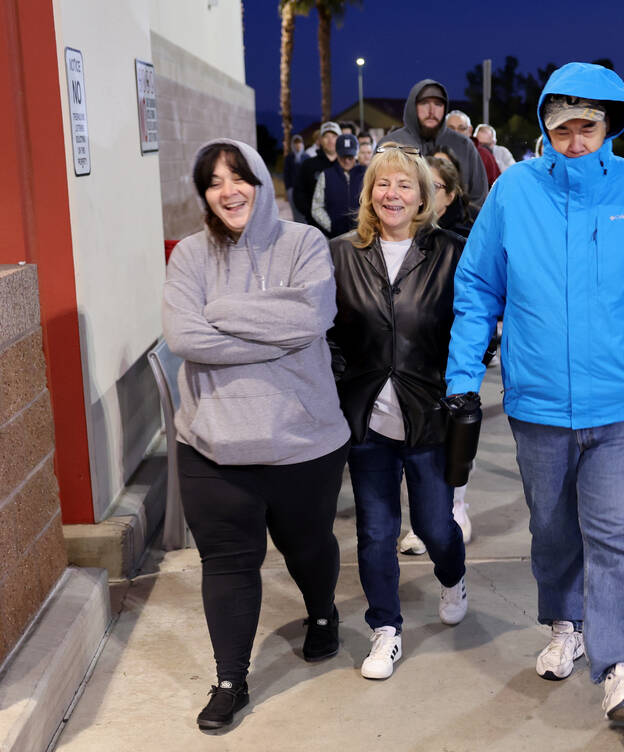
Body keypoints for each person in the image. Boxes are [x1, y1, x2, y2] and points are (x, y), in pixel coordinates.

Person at [444, 62, 624, 724]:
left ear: (610, 124)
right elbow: (476, 289)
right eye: (561, 127)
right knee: (555, 534)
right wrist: (462, 379)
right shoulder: (514, 192)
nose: (574, 139)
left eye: (587, 126)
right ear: (546, 128)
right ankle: (568, 625)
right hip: (540, 407)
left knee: (619, 534)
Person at [162, 139, 351, 730]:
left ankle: (322, 614)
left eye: (238, 176)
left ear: (261, 182)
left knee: (308, 545)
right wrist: (269, 330)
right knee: (227, 563)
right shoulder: (190, 256)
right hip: (211, 446)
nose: (228, 190)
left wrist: (219, 312)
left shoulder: (304, 243)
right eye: (214, 181)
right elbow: (185, 339)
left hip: (302, 441)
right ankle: (230, 679)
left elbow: (311, 317)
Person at [326, 143, 469, 681]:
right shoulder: (341, 253)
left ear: (423, 198)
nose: (393, 194)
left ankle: (453, 578)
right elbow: (327, 331)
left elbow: (471, 327)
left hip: (428, 417)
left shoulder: (450, 253)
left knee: (436, 528)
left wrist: (461, 385)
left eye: (405, 186)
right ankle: (386, 628)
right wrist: (343, 380)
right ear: (369, 195)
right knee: (375, 532)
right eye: (383, 184)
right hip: (367, 420)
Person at [396, 154, 476, 559]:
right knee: (414, 445)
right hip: (413, 365)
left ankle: (456, 509)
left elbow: (476, 305)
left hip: (450, 361)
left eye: (435, 186)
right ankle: (420, 521)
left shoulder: (460, 242)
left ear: (446, 196)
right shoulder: (397, 237)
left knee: (453, 443)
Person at [379, 80, 489, 210]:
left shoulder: (463, 145)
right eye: (424, 103)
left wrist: (464, 224)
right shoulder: (391, 144)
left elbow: (479, 196)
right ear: (413, 107)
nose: (431, 111)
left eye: (438, 104)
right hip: (402, 226)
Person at [311, 133, 367, 237]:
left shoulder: (367, 174)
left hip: (362, 236)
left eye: (350, 157)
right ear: (337, 153)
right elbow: (316, 207)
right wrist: (331, 226)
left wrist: (367, 226)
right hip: (336, 238)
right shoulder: (326, 176)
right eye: (343, 157)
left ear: (356, 154)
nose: (346, 161)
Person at [295, 121, 342, 226]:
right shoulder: (308, 165)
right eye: (326, 136)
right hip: (315, 226)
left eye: (334, 136)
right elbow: (299, 194)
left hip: (343, 228)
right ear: (320, 140)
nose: (330, 140)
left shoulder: (347, 165)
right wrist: (310, 214)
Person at [446, 110, 500, 187]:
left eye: (461, 128)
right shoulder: (436, 152)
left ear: (470, 130)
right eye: (451, 128)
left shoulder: (484, 155)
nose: (456, 133)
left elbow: (498, 187)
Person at [283, 134, 307, 220]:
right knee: (295, 210)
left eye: (299, 143)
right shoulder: (289, 158)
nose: (298, 145)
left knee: (304, 211)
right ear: (293, 145)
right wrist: (288, 188)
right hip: (292, 189)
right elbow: (286, 173)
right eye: (296, 143)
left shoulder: (306, 157)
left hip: (304, 190)